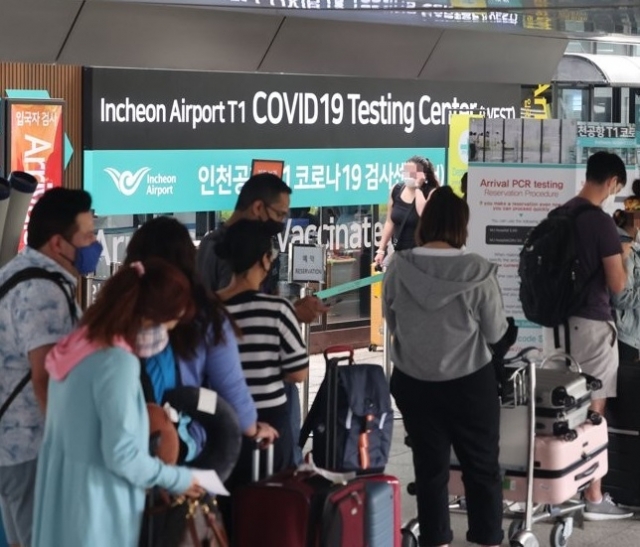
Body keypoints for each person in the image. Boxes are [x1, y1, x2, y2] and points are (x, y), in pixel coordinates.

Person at [32, 258, 204, 547]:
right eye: (169, 326)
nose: (166, 336)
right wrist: (177, 478)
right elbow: (123, 456)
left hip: (62, 512)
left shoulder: (79, 345)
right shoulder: (116, 363)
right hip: (95, 520)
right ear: (151, 318)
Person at [383, 187, 510, 547]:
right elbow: (495, 331)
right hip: (470, 383)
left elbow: (392, 323)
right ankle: (486, 539)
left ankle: (435, 539)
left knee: (429, 468)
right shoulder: (478, 271)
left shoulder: (399, 267)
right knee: (482, 467)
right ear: (461, 224)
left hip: (414, 382)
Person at [123, 216, 278, 460]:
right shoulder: (203, 315)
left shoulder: (116, 311)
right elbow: (230, 386)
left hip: (121, 440)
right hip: (178, 447)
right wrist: (254, 428)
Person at [0, 187, 100, 547]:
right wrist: (72, 454)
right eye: (88, 235)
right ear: (58, 243)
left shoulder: (17, 271)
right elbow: (46, 379)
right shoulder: (44, 292)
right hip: (32, 448)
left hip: (11, 446)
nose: (94, 243)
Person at [542, 151, 631, 520]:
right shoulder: (600, 224)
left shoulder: (558, 214)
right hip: (592, 326)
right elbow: (617, 285)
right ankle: (593, 495)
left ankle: (554, 488)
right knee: (594, 409)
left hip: (556, 327)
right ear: (612, 182)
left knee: (559, 405)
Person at [216, 219, 309, 482]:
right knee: (265, 503)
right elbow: (299, 373)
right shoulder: (278, 310)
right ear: (265, 260)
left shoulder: (209, 307)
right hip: (270, 422)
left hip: (220, 420)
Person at [374, 155, 440, 267]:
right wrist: (381, 249)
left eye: (412, 173)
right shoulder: (396, 190)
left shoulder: (431, 193)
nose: (408, 176)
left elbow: (424, 214)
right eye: (405, 172)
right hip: (399, 253)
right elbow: (390, 221)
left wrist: (418, 187)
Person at [611, 209, 640, 362]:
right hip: (625, 338)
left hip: (630, 336)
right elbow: (620, 297)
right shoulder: (624, 251)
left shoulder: (631, 248)